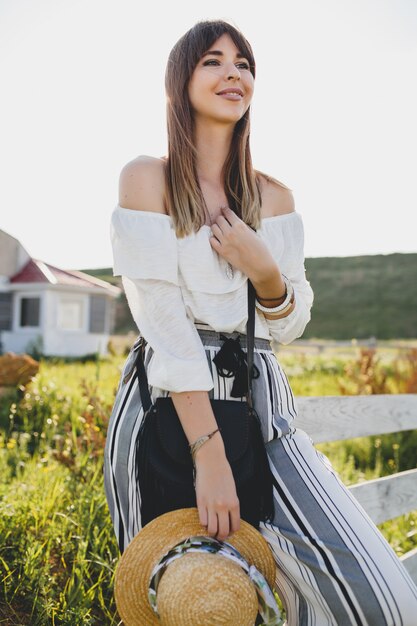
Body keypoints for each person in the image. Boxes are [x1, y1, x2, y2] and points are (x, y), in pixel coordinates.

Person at [104, 19, 417, 625]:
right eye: (213, 61)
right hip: (169, 401)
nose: (233, 73)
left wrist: (264, 269)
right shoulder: (148, 179)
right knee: (186, 596)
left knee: (383, 601)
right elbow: (164, 326)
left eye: (244, 63)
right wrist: (210, 456)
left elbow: (290, 323)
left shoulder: (274, 198)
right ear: (180, 81)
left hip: (259, 395)